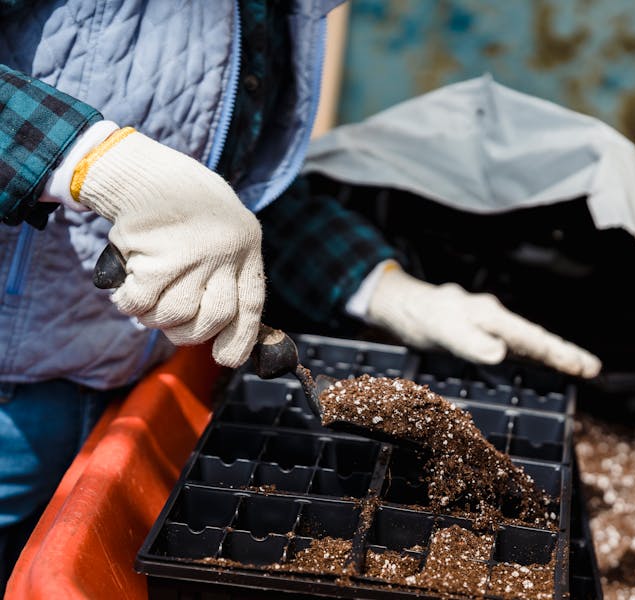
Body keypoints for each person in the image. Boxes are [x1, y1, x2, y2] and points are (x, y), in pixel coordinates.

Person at [0, 0, 600, 584]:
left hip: (133, 377)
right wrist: (93, 161)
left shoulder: (271, 14)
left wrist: (383, 288)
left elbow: (242, 202)